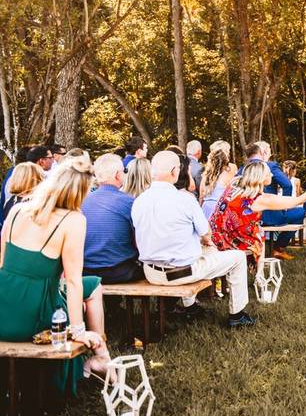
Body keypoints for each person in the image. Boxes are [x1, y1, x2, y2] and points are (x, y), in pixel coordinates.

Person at [0, 158, 111, 394]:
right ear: (81, 192)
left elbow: (1, 264)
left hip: (3, 309)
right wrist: (79, 331)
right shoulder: (73, 220)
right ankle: (99, 356)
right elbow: (72, 281)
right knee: (91, 284)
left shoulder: (18, 209)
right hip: (32, 316)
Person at [133, 151, 254, 328]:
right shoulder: (185, 199)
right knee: (237, 257)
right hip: (180, 274)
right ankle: (237, 314)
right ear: (175, 171)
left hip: (151, 272)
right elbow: (206, 233)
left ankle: (191, 307)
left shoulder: (139, 200)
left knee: (192, 251)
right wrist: (205, 240)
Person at [210, 161, 306, 265]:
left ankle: (258, 273)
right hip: (229, 241)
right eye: (268, 173)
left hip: (215, 233)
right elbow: (298, 200)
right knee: (258, 235)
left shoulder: (234, 185)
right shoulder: (259, 199)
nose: (271, 174)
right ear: (261, 177)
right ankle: (260, 277)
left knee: (258, 229)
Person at [81, 154, 142, 284]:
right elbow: (138, 240)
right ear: (118, 175)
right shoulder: (129, 202)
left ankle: (114, 304)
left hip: (85, 270)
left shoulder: (82, 201)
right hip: (120, 270)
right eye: (124, 171)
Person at [245, 142, 301, 261]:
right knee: (301, 212)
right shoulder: (270, 166)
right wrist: (283, 206)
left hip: (250, 216)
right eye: (269, 149)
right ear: (264, 152)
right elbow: (287, 185)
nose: (271, 151)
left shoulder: (244, 167)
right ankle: (279, 248)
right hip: (270, 215)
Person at [201, 149, 236, 219]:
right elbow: (232, 194)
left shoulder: (206, 175)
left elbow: (201, 195)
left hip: (206, 207)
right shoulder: (228, 176)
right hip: (219, 208)